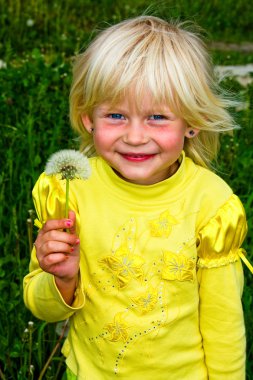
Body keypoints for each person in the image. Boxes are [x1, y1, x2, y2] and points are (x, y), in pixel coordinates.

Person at [23, 15, 248, 380]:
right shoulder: (70, 190)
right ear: (87, 118)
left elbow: (224, 324)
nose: (135, 136)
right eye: (116, 115)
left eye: (157, 117)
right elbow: (42, 307)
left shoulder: (211, 205)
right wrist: (62, 280)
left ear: (192, 121)